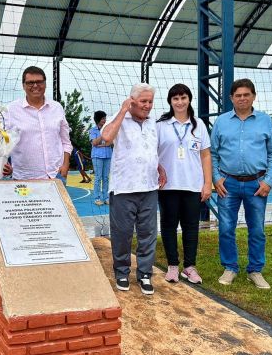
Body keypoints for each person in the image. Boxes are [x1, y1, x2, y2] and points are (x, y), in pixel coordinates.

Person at [211, 78, 272, 289]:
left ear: (253, 96)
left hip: (257, 184)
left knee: (257, 229)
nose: (242, 98)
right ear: (231, 98)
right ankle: (230, 267)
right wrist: (216, 178)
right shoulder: (221, 122)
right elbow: (212, 153)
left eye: (246, 94)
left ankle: (255, 270)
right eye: (238, 95)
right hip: (227, 183)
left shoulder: (265, 121)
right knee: (226, 228)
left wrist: (268, 181)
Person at [101, 83, 166, 296]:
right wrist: (122, 111)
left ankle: (145, 274)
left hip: (149, 186)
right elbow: (107, 138)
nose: (147, 106)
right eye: (143, 101)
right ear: (132, 101)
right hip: (124, 188)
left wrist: (159, 167)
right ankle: (121, 272)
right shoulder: (118, 119)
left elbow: (150, 151)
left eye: (150, 102)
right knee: (122, 233)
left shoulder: (152, 124)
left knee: (148, 233)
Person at [156, 84, 212, 284]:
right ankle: (172, 266)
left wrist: (207, 183)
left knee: (191, 228)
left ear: (189, 99)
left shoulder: (199, 125)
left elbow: (205, 155)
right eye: (175, 99)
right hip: (168, 186)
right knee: (169, 226)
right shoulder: (161, 125)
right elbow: (152, 154)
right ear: (170, 102)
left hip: (192, 185)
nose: (180, 102)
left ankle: (189, 267)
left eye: (183, 98)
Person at [5, 66, 72, 182]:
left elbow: (66, 142)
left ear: (45, 84)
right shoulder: (10, 110)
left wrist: (65, 165)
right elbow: (1, 143)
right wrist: (4, 163)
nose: (35, 85)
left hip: (56, 176)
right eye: (30, 82)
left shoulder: (57, 108)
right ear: (23, 86)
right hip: (23, 178)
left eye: (39, 82)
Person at [89, 110, 112, 205]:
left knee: (106, 178)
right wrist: (102, 135)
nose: (104, 120)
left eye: (105, 118)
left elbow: (111, 142)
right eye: (103, 118)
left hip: (108, 155)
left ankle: (106, 197)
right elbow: (94, 143)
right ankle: (97, 198)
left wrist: (101, 144)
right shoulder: (92, 130)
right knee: (98, 177)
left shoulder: (109, 129)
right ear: (98, 119)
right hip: (97, 156)